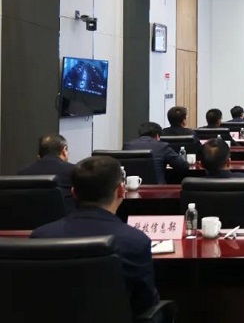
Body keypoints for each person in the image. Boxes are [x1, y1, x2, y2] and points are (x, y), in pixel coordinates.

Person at [31, 156, 160, 315]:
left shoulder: (40, 237)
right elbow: (145, 303)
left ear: (73, 193)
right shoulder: (135, 241)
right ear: (121, 190)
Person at [18, 133, 75, 209]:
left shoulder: (22, 173)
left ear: (39, 155)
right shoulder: (74, 171)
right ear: (64, 150)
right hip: (66, 215)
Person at [123, 122, 188, 184]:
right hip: (158, 189)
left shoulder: (127, 145)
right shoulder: (162, 146)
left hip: (133, 187)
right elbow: (182, 165)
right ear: (157, 136)